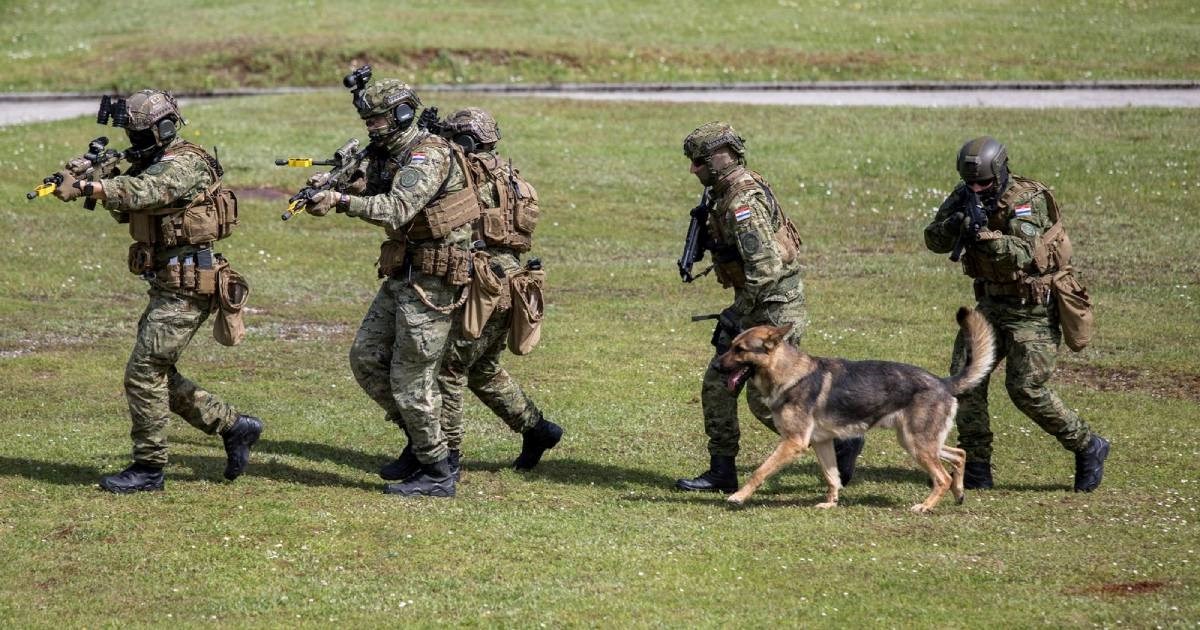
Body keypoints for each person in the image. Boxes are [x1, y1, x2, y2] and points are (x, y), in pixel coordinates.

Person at [52, 89, 262, 493]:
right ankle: (234, 426)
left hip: (189, 285)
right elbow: (129, 209)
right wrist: (99, 177)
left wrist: (91, 188)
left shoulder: (184, 163)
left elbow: (148, 193)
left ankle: (149, 468)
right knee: (156, 372)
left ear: (163, 127)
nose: (134, 143)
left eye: (140, 134)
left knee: (143, 373)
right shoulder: (152, 161)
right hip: (166, 284)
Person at [304, 78, 482, 497]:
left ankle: (439, 471)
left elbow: (397, 208)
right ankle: (423, 445)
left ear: (403, 113)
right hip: (405, 273)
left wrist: (342, 202)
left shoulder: (428, 155)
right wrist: (337, 185)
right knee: (366, 357)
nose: (371, 126)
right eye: (366, 118)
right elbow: (378, 187)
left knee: (411, 378)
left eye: (377, 117)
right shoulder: (390, 152)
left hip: (435, 281)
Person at [674, 121, 863, 493]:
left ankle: (841, 439)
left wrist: (736, 312)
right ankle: (722, 470)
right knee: (717, 382)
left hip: (775, 308)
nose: (692, 169)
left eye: (698, 161)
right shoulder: (722, 191)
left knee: (771, 401)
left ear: (718, 159)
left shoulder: (743, 201)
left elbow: (766, 269)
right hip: (754, 302)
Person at [923, 136, 1109, 492]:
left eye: (984, 183)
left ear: (1001, 172)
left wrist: (983, 236)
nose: (977, 188)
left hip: (1033, 309)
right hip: (991, 305)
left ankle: (1088, 445)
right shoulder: (966, 194)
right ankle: (976, 466)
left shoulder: (1027, 200)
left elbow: (1026, 253)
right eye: (971, 182)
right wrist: (955, 225)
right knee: (965, 380)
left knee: (1026, 389)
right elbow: (933, 239)